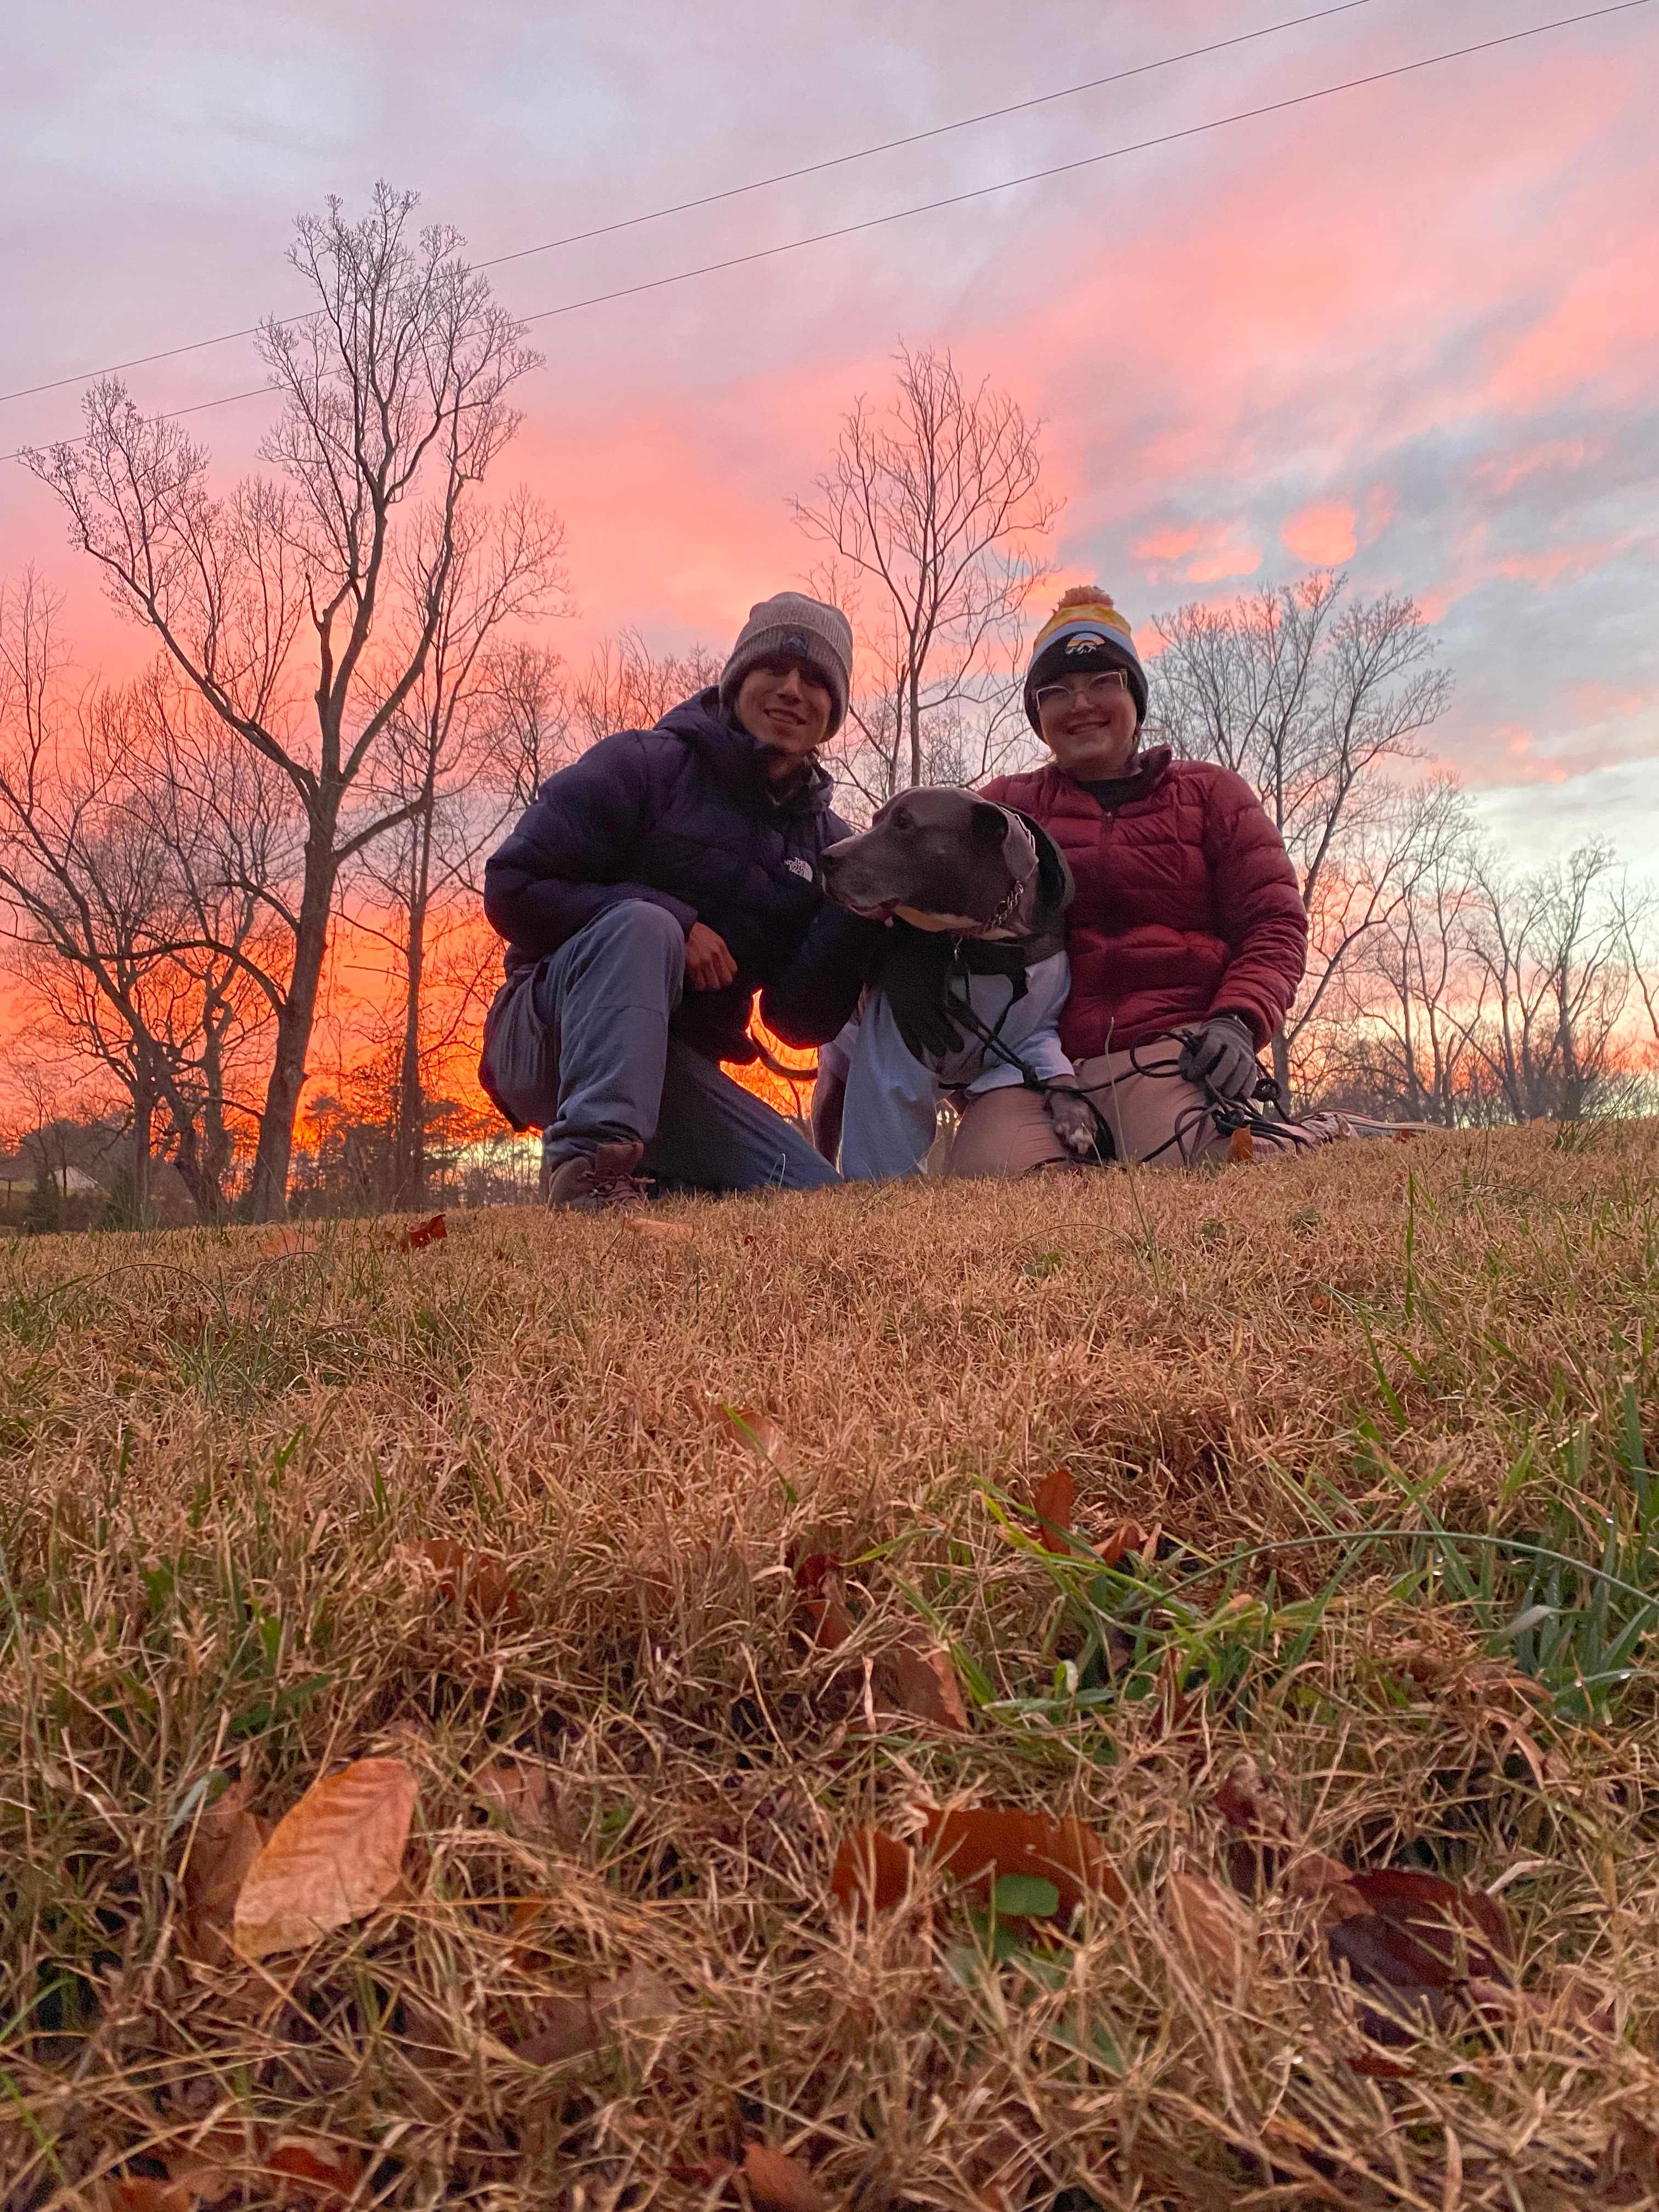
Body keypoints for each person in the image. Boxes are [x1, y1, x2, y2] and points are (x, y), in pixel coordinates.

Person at [482, 592, 877, 1207]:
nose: (793, 690)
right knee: (644, 926)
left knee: (815, 1199)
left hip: (673, 1074)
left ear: (833, 712)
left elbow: (793, 1023)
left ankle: (663, 1173)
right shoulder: (643, 764)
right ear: (737, 679)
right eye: (774, 669)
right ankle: (589, 1171)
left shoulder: (829, 848)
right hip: (547, 1038)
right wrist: (674, 918)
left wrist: (856, 917)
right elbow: (511, 888)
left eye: (816, 681)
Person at [945, 586, 1312, 1175]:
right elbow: (919, 871)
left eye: (1102, 683)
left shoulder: (1211, 793)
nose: (1080, 704)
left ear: (1135, 697)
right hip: (1034, 1068)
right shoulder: (1004, 809)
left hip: (1172, 1048)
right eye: (1056, 692)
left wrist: (1237, 1021)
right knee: (992, 1184)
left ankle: (1324, 1132)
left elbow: (1274, 923)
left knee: (1205, 1171)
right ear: (1037, 716)